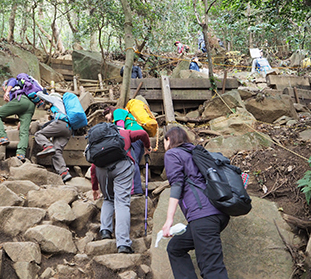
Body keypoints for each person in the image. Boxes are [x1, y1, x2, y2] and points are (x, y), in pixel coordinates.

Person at [161, 127, 230, 279]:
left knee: (212, 269)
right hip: (216, 214)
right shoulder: (195, 152)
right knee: (175, 248)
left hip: (204, 217)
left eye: (164, 142)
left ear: (168, 140)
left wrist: (169, 219)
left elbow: (177, 185)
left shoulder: (172, 153)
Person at [91, 127, 151, 253]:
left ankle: (105, 230)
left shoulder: (99, 139)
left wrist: (95, 187)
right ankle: (123, 243)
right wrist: (147, 146)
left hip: (101, 169)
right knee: (122, 202)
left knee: (108, 198)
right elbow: (143, 133)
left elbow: (93, 164)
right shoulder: (126, 132)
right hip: (122, 166)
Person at [0, 74, 39, 161]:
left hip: (21, 100)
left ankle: (2, 136)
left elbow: (12, 82)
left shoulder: (11, 81)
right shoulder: (23, 88)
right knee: (24, 131)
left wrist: (7, 92)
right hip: (31, 106)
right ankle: (21, 154)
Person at [103, 105, 145, 195]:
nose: (108, 120)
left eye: (107, 117)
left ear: (109, 112)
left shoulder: (117, 111)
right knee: (135, 162)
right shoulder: (127, 116)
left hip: (133, 137)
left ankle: (135, 190)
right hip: (140, 138)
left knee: (132, 162)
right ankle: (136, 188)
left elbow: (120, 128)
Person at [34, 92, 72, 182]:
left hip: (60, 124)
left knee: (38, 134)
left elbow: (42, 96)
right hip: (68, 129)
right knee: (57, 150)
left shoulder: (56, 100)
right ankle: (64, 173)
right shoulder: (64, 107)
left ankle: (47, 146)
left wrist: (38, 92)